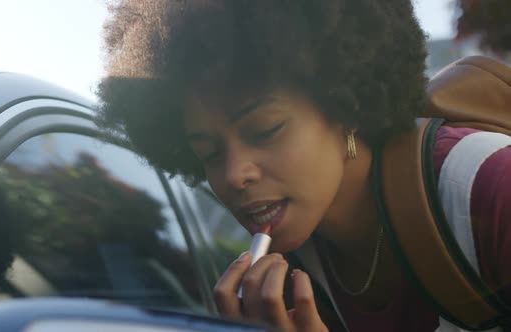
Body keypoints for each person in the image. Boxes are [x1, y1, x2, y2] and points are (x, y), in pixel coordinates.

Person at [96, 1, 511, 331]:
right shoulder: (289, 280)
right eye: (209, 154)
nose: (235, 174)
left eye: (265, 130)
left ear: (345, 104)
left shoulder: (491, 188)